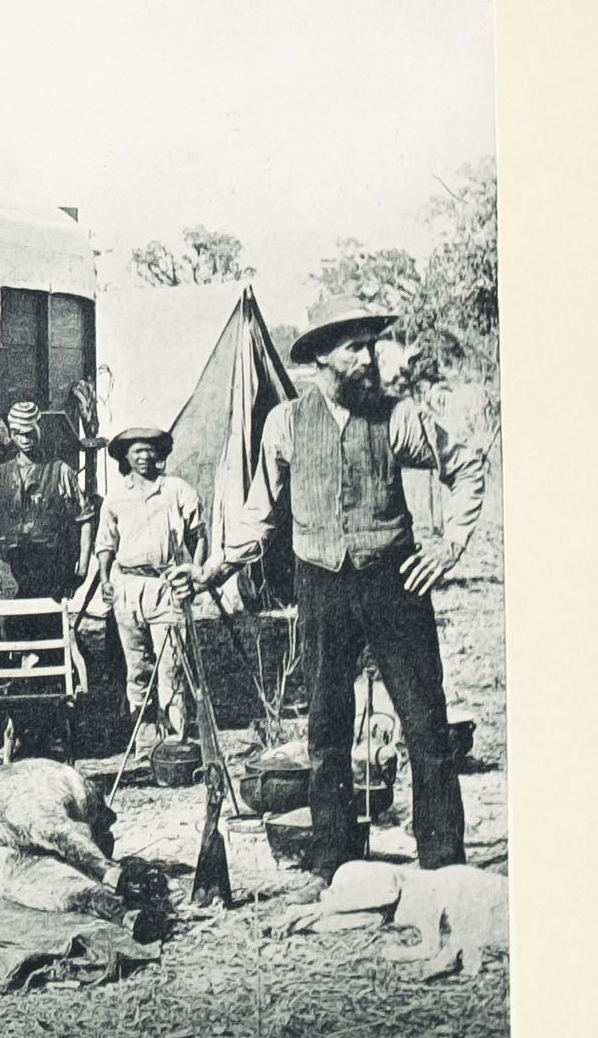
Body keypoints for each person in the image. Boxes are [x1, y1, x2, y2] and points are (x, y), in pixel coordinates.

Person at [231, 298, 491, 870]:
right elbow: (259, 514)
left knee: (425, 726)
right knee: (327, 732)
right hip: (321, 587)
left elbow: (468, 466)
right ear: (323, 356)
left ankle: (442, 862)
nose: (370, 358)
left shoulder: (399, 417)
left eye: (371, 346)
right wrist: (214, 568)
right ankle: (334, 863)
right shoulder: (285, 423)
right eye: (356, 348)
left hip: (394, 584)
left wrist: (449, 545)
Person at [83, 423, 210, 747]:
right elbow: (105, 544)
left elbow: (198, 534)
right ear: (125, 457)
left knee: (172, 666)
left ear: (159, 454)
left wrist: (194, 572)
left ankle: (175, 741)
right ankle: (145, 740)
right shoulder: (116, 498)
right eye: (136, 451)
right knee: (137, 669)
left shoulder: (177, 490)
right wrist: (106, 580)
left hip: (166, 587)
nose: (144, 456)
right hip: (128, 588)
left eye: (149, 450)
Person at [0, 405, 84, 603]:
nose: (24, 439)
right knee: (11, 621)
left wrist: (81, 571)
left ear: (39, 429)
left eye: (30, 432)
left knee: (48, 621)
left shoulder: (61, 471)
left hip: (50, 571)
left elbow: (84, 519)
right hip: (8, 572)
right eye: (18, 433)